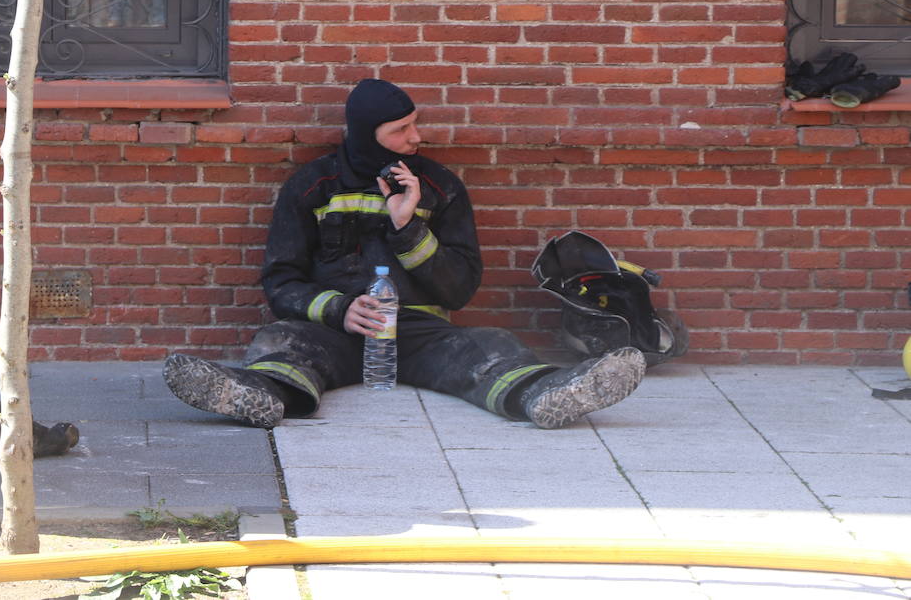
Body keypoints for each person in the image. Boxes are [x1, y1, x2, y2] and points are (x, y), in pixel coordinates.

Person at [164, 78, 647, 430]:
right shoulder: (312, 187)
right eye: (401, 130)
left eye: (414, 126)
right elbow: (281, 281)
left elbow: (460, 288)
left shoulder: (439, 188)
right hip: (333, 332)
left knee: (491, 345)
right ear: (367, 133)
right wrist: (338, 309)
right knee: (280, 342)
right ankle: (253, 395)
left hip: (421, 333)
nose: (415, 139)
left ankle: (545, 394)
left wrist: (406, 225)